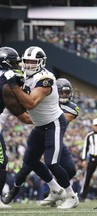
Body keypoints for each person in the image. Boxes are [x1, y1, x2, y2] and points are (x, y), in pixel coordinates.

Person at [4, 46, 78, 209]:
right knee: (30, 160)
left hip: (54, 123)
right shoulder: (22, 74)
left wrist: (14, 86)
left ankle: (72, 196)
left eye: (33, 62)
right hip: (39, 125)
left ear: (41, 62)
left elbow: (30, 103)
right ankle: (56, 190)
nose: (29, 65)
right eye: (27, 61)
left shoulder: (46, 78)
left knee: (52, 162)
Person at [0, 46, 33, 208]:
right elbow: (24, 117)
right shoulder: (7, 80)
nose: (17, 65)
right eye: (14, 62)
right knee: (2, 163)